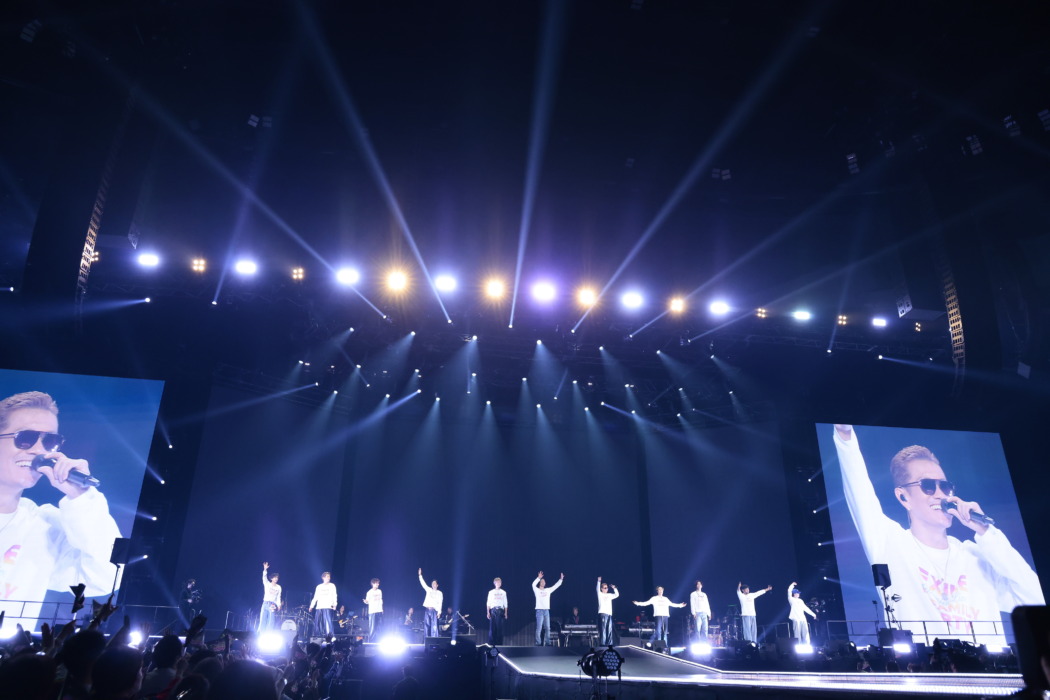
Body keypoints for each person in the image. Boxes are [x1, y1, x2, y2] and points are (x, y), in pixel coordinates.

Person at [831, 424, 1044, 644]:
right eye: (928, 486)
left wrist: (986, 531)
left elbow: (1036, 597)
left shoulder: (975, 555)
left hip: (989, 665)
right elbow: (859, 491)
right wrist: (845, 435)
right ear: (903, 497)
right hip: (928, 664)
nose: (940, 494)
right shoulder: (890, 542)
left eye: (945, 486)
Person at [0, 391, 122, 627]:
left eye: (49, 441)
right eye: (25, 438)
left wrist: (81, 496)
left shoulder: (43, 527)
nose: (38, 450)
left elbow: (106, 576)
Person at [532, 571, 564, 646]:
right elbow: (533, 585)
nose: (543, 582)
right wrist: (538, 578)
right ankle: (538, 642)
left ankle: (547, 642)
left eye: (544, 581)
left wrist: (561, 579)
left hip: (546, 611)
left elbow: (555, 586)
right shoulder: (537, 590)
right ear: (540, 583)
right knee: (539, 628)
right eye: (542, 581)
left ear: (545, 583)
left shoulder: (548, 590)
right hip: (539, 611)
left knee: (547, 627)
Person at [309, 571, 337, 637]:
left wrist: (335, 604)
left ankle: (330, 636)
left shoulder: (332, 585)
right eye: (327, 576)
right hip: (319, 607)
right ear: (323, 577)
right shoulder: (319, 587)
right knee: (318, 623)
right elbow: (315, 597)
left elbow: (334, 595)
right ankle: (317, 636)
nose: (328, 578)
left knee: (327, 622)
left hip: (328, 606)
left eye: (329, 577)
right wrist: (311, 606)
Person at [417, 568, 442, 638]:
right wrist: (420, 575)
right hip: (427, 610)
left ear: (437, 585)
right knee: (426, 626)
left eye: (434, 583)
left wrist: (439, 612)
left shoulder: (439, 593)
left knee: (434, 627)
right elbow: (423, 584)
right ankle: (426, 640)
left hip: (434, 611)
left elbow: (440, 602)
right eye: (432, 583)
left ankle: (434, 640)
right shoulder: (429, 590)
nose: (433, 584)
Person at [596, 577, 619, 646]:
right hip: (603, 614)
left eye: (607, 588)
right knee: (603, 629)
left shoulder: (609, 595)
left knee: (609, 629)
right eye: (605, 588)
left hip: (609, 614)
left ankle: (609, 644)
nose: (606, 589)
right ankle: (603, 644)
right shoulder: (600, 594)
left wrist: (614, 588)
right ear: (602, 589)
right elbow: (597, 589)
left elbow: (617, 595)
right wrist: (599, 581)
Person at [259, 562, 282, 631]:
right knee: (262, 621)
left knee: (271, 621)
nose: (276, 579)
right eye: (275, 577)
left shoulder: (279, 587)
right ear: (271, 578)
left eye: (277, 578)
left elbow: (278, 597)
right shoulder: (267, 584)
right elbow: (264, 577)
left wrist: (279, 605)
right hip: (265, 603)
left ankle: (268, 634)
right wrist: (265, 569)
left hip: (272, 605)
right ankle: (261, 634)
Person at [486, 576, 508, 645]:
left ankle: (499, 645)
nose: (499, 583)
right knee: (492, 629)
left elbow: (505, 603)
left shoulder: (503, 592)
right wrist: (488, 612)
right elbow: (488, 603)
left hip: (500, 611)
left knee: (499, 629)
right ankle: (491, 644)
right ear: (494, 583)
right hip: (493, 610)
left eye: (500, 582)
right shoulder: (491, 592)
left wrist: (506, 613)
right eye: (497, 582)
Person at [363, 577, 382, 641]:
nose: (378, 584)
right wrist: (366, 601)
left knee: (380, 626)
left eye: (378, 583)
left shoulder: (379, 591)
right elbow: (367, 601)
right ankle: (371, 641)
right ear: (373, 584)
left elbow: (381, 600)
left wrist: (382, 609)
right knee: (372, 627)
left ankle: (379, 640)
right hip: (372, 611)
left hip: (379, 610)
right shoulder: (369, 592)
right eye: (376, 583)